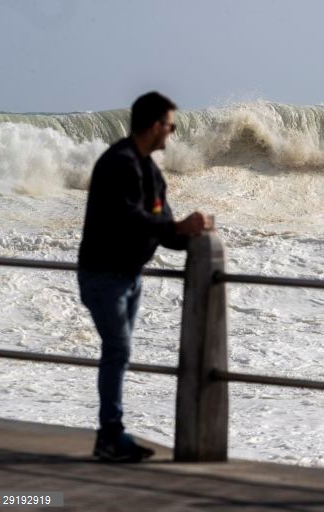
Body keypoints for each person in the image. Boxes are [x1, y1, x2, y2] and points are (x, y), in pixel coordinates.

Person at [78, 91, 207, 462]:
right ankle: (110, 435)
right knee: (118, 350)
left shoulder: (150, 171)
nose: (172, 132)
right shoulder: (119, 163)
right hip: (102, 276)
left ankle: (111, 434)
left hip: (130, 276)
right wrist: (176, 226)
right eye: (171, 125)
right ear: (155, 126)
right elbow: (129, 219)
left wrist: (192, 234)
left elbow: (164, 229)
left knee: (118, 352)